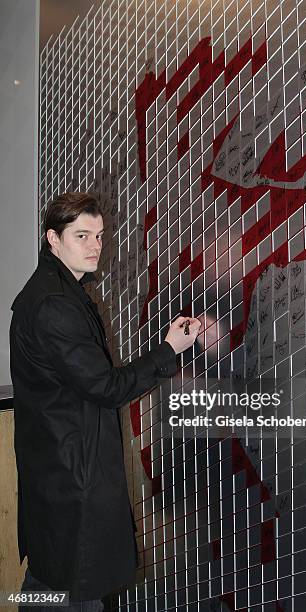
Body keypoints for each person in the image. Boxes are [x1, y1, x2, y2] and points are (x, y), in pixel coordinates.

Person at [9, 192, 201, 610]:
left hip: (59, 476)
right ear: (53, 240)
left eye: (98, 235)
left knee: (49, 584)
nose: (96, 246)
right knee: (74, 593)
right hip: (73, 482)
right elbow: (106, 387)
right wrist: (169, 350)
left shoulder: (50, 293)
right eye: (82, 235)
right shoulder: (55, 304)